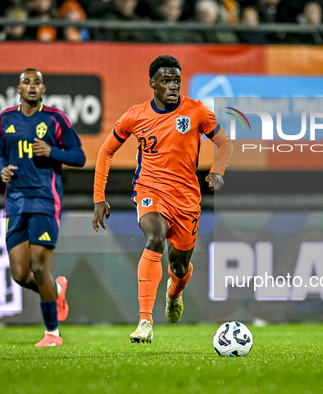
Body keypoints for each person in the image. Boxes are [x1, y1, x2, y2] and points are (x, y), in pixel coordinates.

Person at [92, 55, 233, 343]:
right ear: (152, 84)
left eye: (176, 81)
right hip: (150, 191)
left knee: (179, 267)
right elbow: (106, 151)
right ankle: (145, 321)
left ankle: (174, 293)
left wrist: (217, 171)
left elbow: (225, 143)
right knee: (154, 239)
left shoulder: (196, 112)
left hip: (187, 199)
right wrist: (99, 197)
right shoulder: (135, 115)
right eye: (166, 81)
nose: (172, 86)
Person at [0, 68, 86, 346]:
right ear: (18, 89)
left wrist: (52, 152)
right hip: (15, 202)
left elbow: (79, 156)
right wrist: (2, 169)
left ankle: (52, 333)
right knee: (20, 274)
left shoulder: (56, 119)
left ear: (43, 89)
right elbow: (1, 153)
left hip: (45, 200)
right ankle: (56, 290)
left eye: (37, 82)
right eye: (27, 82)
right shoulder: (5, 119)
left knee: (38, 265)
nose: (32, 86)